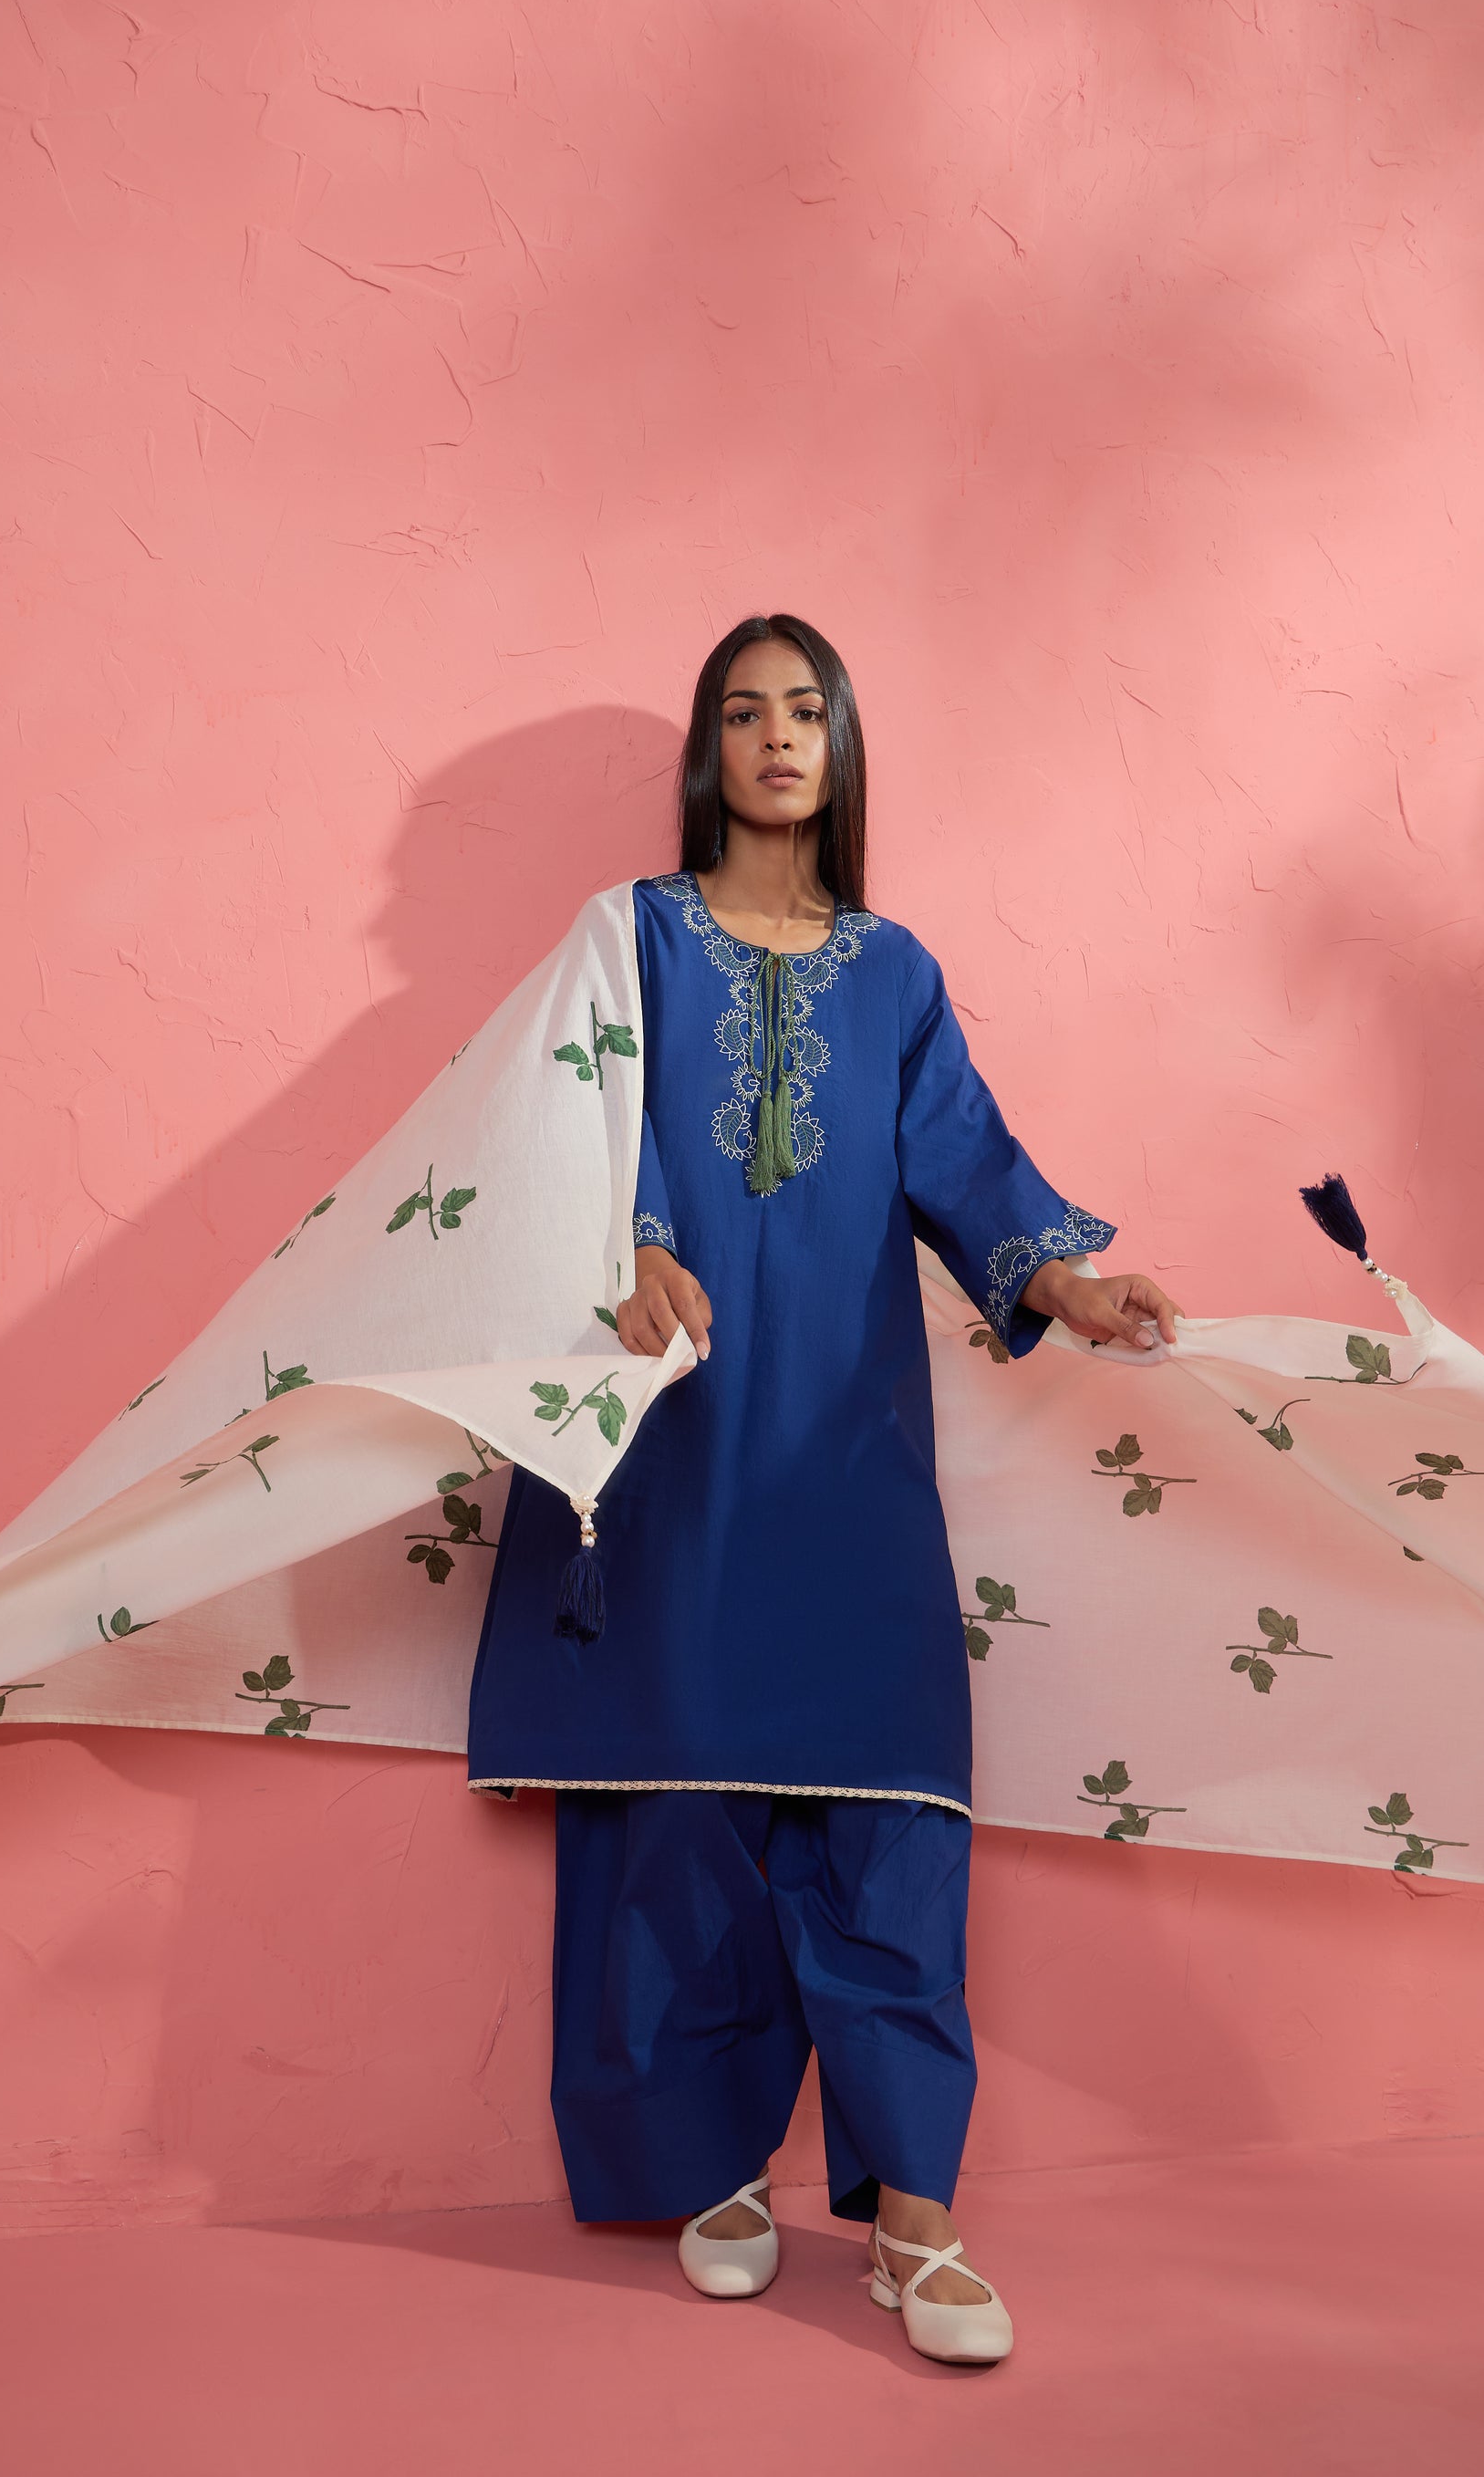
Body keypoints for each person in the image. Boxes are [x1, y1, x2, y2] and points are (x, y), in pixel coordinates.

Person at [465, 614, 1180, 2365]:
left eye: (806, 710)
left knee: (892, 1798)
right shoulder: (629, 939)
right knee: (680, 1799)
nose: (777, 736)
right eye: (743, 711)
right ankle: (711, 2163)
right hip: (675, 1426)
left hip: (849, 1447)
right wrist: (629, 1241)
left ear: (841, 747)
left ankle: (912, 2217)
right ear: (706, 749)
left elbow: (963, 1165)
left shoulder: (893, 973)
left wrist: (1071, 1286)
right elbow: (561, 1119)